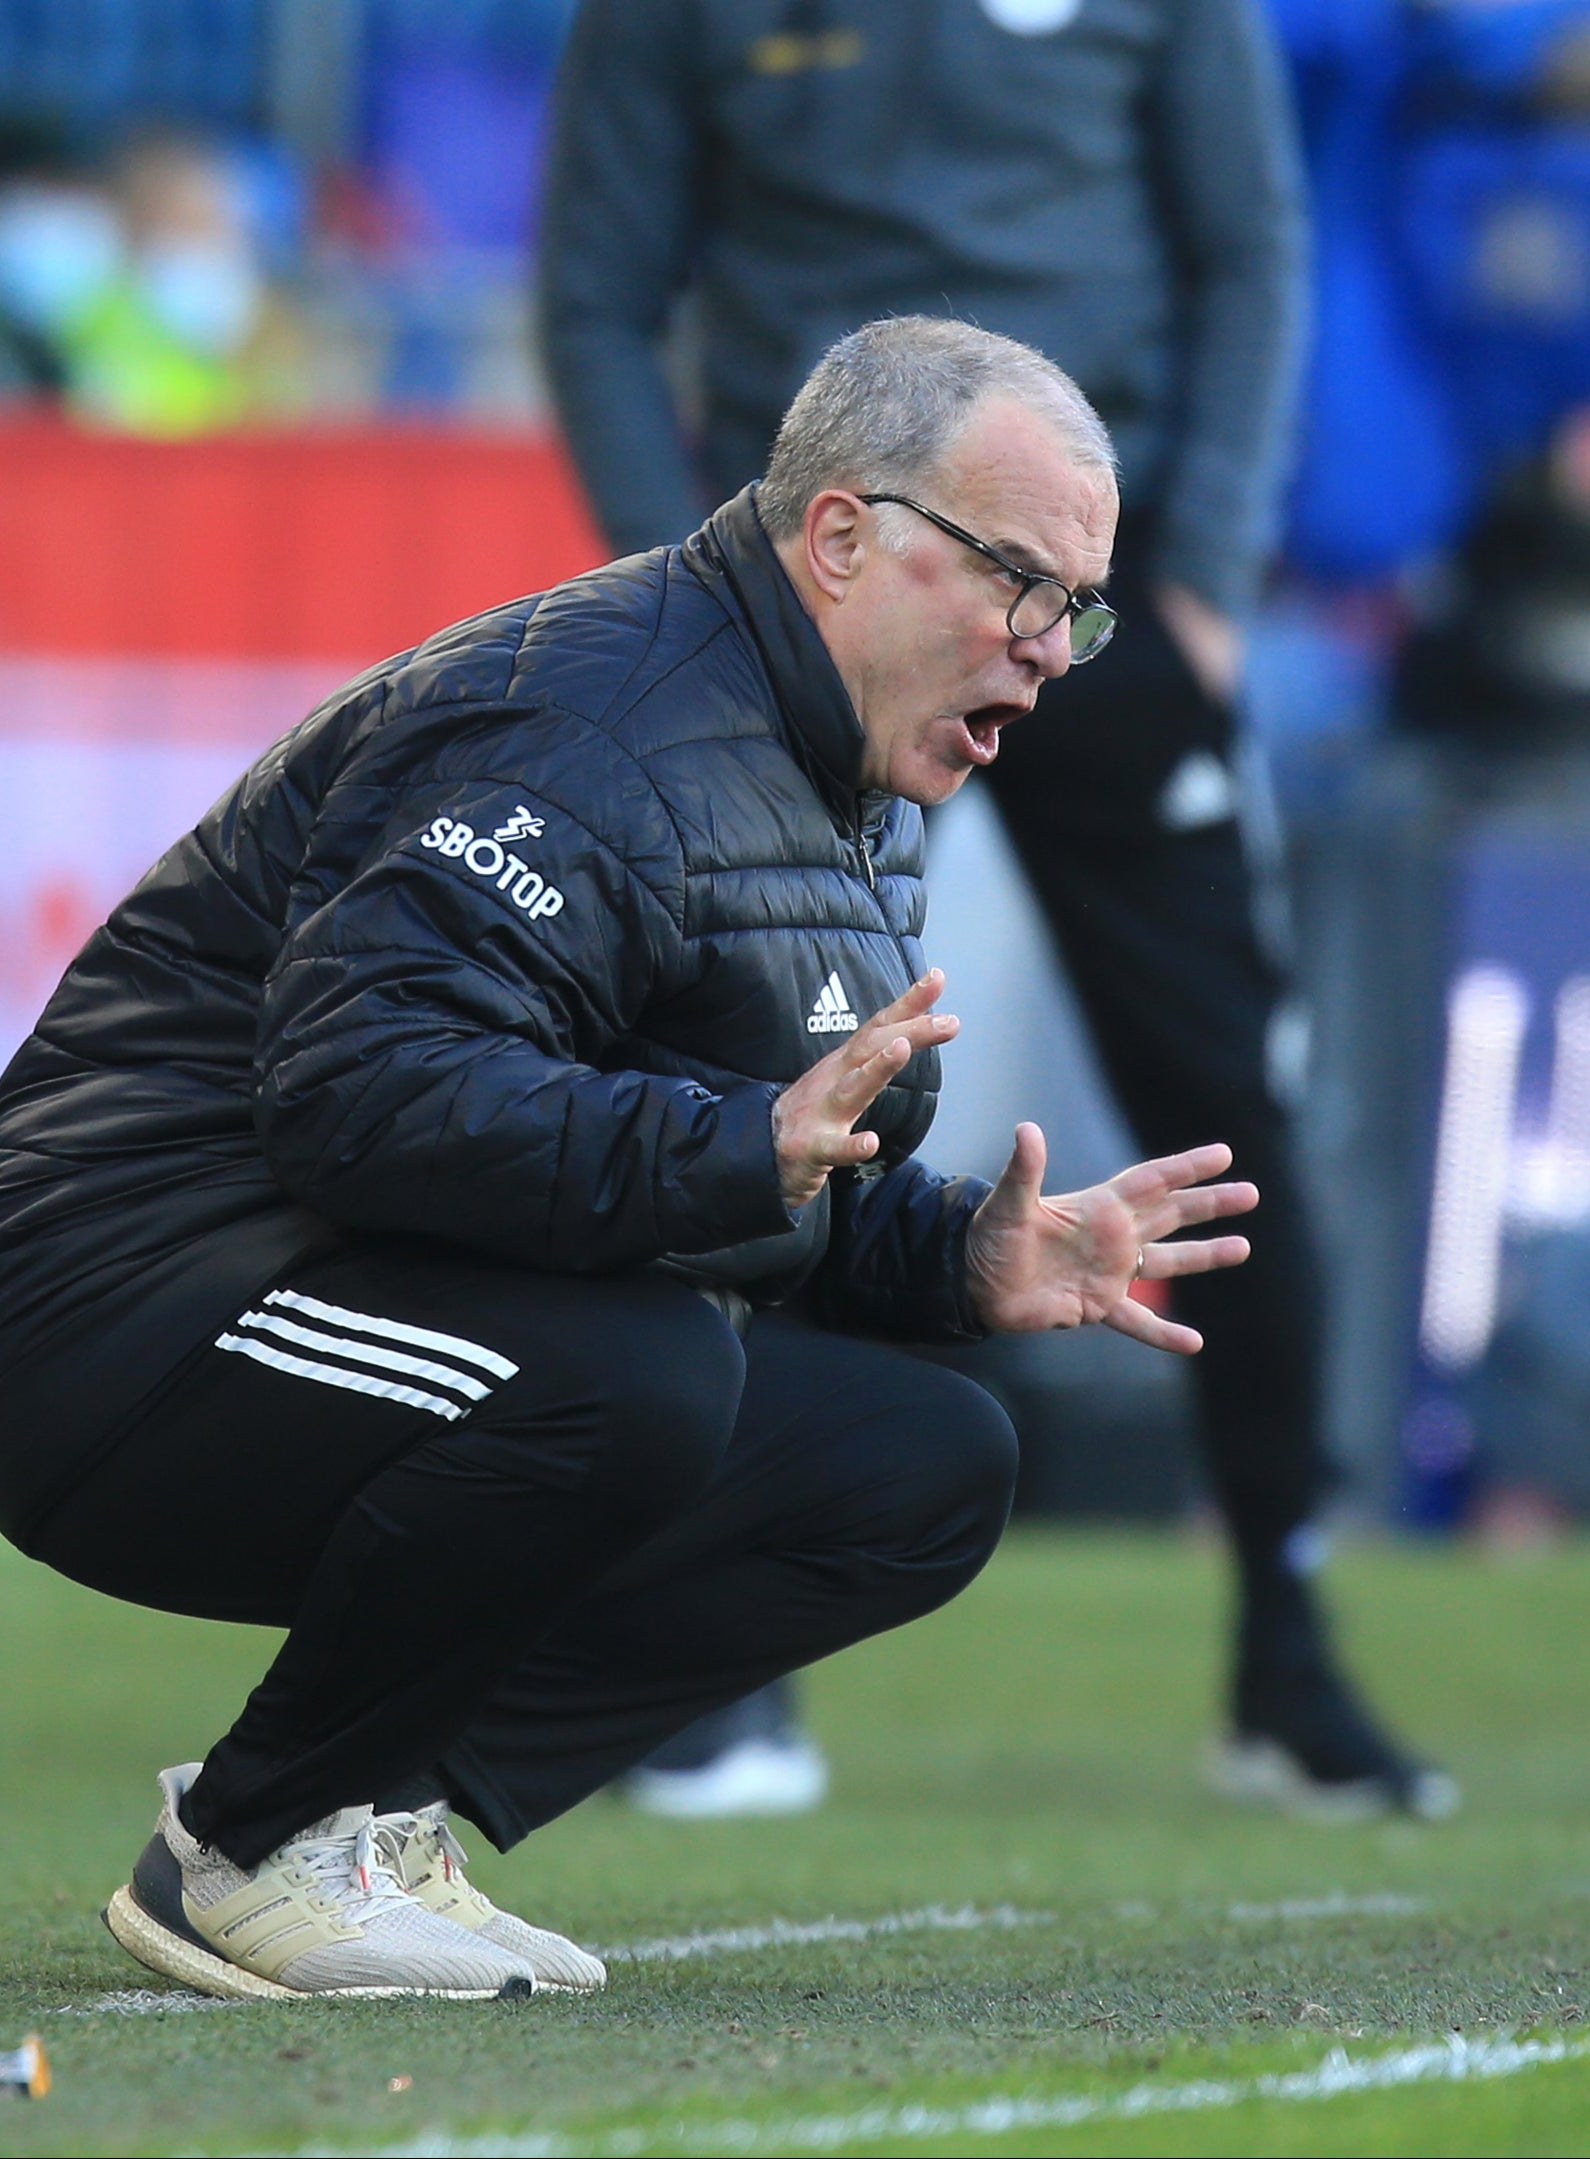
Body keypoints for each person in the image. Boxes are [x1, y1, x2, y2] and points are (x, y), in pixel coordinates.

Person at [0, 319, 1260, 2003]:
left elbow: (730, 1183)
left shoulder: (832, 764)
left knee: (915, 1464)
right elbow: (359, 1093)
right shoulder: (591, 721)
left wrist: (949, 1259)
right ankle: (261, 1841)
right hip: (113, 1314)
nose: (1049, 649)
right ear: (841, 537)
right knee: (636, 1374)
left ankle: (373, 1822)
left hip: (342, 1285)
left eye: (1077, 605)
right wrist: (736, 1147)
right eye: (1017, 581)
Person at [539, 0, 1454, 1820]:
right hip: (822, 631)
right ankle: (725, 1669)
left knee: (1231, 1113)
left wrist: (1194, 577)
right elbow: (592, 295)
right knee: (773, 1112)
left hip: (1103, 620)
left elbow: (1252, 249)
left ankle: (1285, 1642)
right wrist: (699, 614)